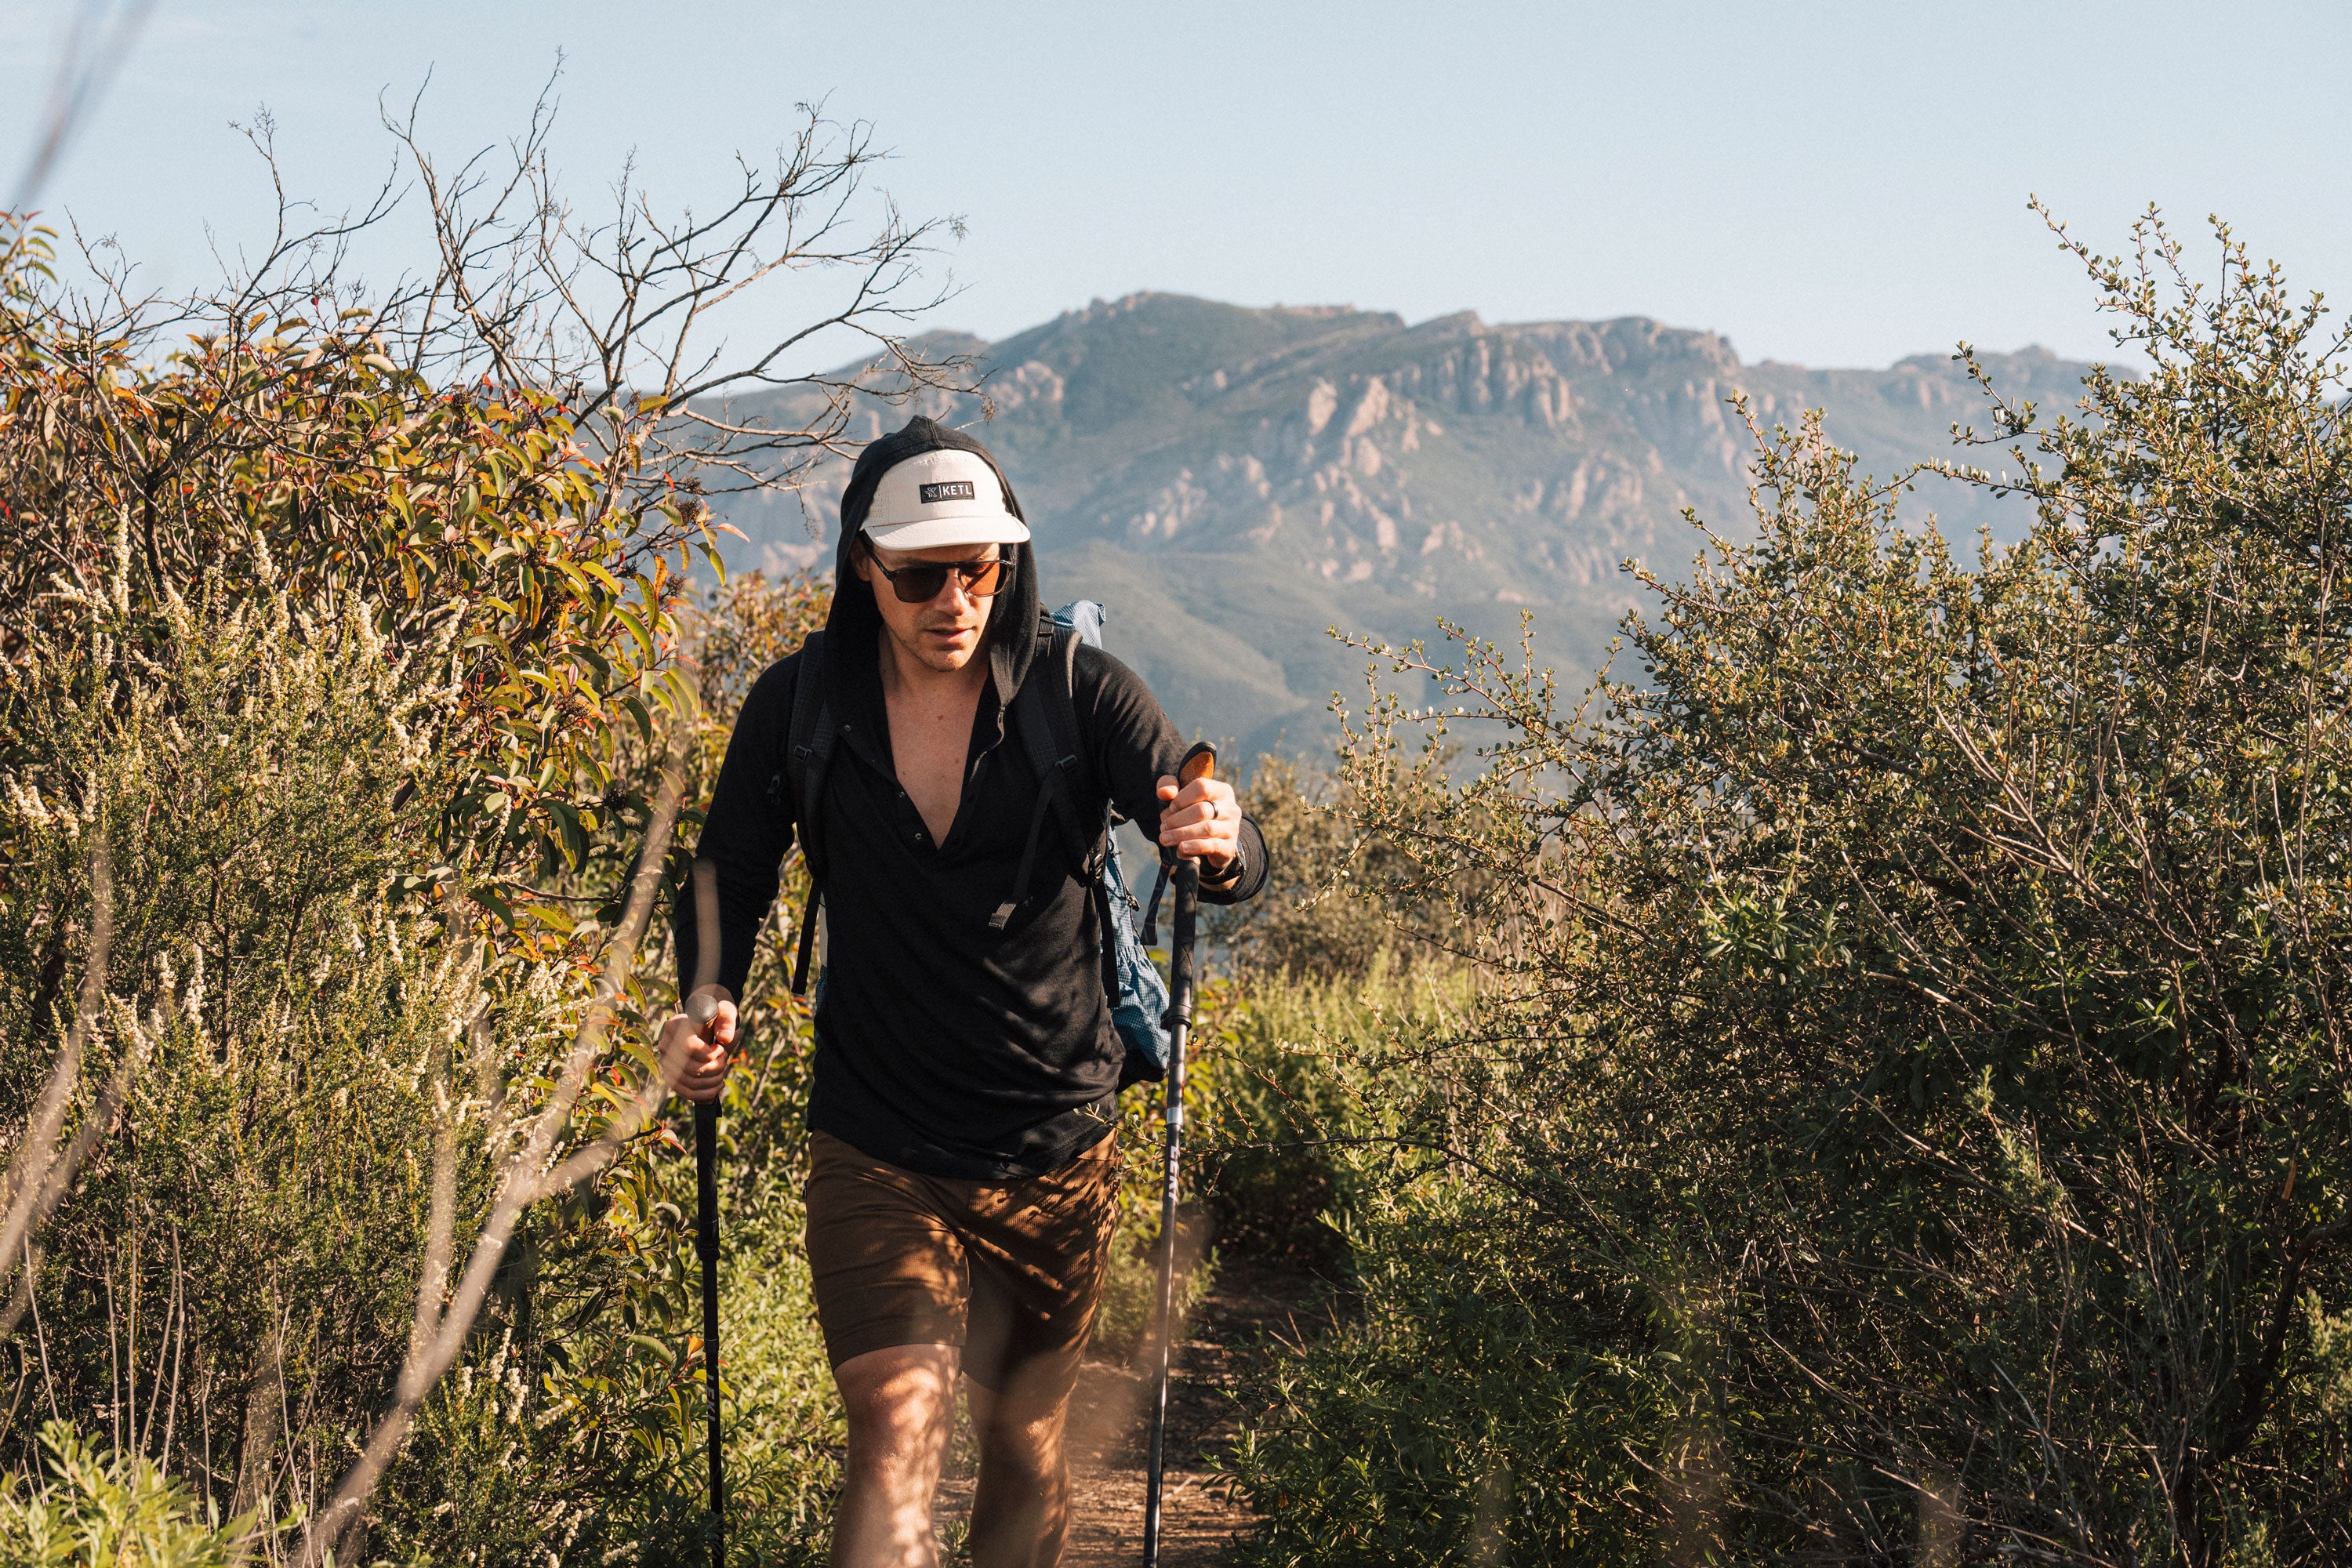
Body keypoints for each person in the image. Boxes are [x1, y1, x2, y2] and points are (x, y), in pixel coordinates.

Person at [659, 416, 1268, 1568]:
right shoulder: (801, 705)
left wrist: (1221, 840)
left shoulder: (1079, 692)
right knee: (896, 1425)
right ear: (864, 566)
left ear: (1008, 561)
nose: (954, 600)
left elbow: (1213, 846)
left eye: (979, 570)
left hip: (1054, 1140)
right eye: (920, 575)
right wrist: (704, 994)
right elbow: (728, 871)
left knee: (1022, 1443)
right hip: (876, 1137)